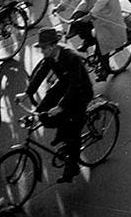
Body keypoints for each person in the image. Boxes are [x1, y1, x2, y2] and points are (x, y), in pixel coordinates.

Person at [17, 28, 93, 183]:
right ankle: (62, 130)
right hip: (64, 85)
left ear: (52, 46)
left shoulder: (71, 57)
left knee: (73, 128)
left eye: (43, 48)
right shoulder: (51, 56)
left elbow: (75, 85)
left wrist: (61, 106)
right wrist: (27, 93)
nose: (42, 51)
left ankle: (73, 167)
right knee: (43, 110)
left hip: (80, 91)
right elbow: (41, 73)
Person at [55, 0, 126, 81]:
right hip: (89, 3)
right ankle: (88, 40)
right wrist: (62, 4)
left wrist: (92, 14)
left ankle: (105, 69)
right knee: (76, 21)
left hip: (106, 9)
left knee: (103, 40)